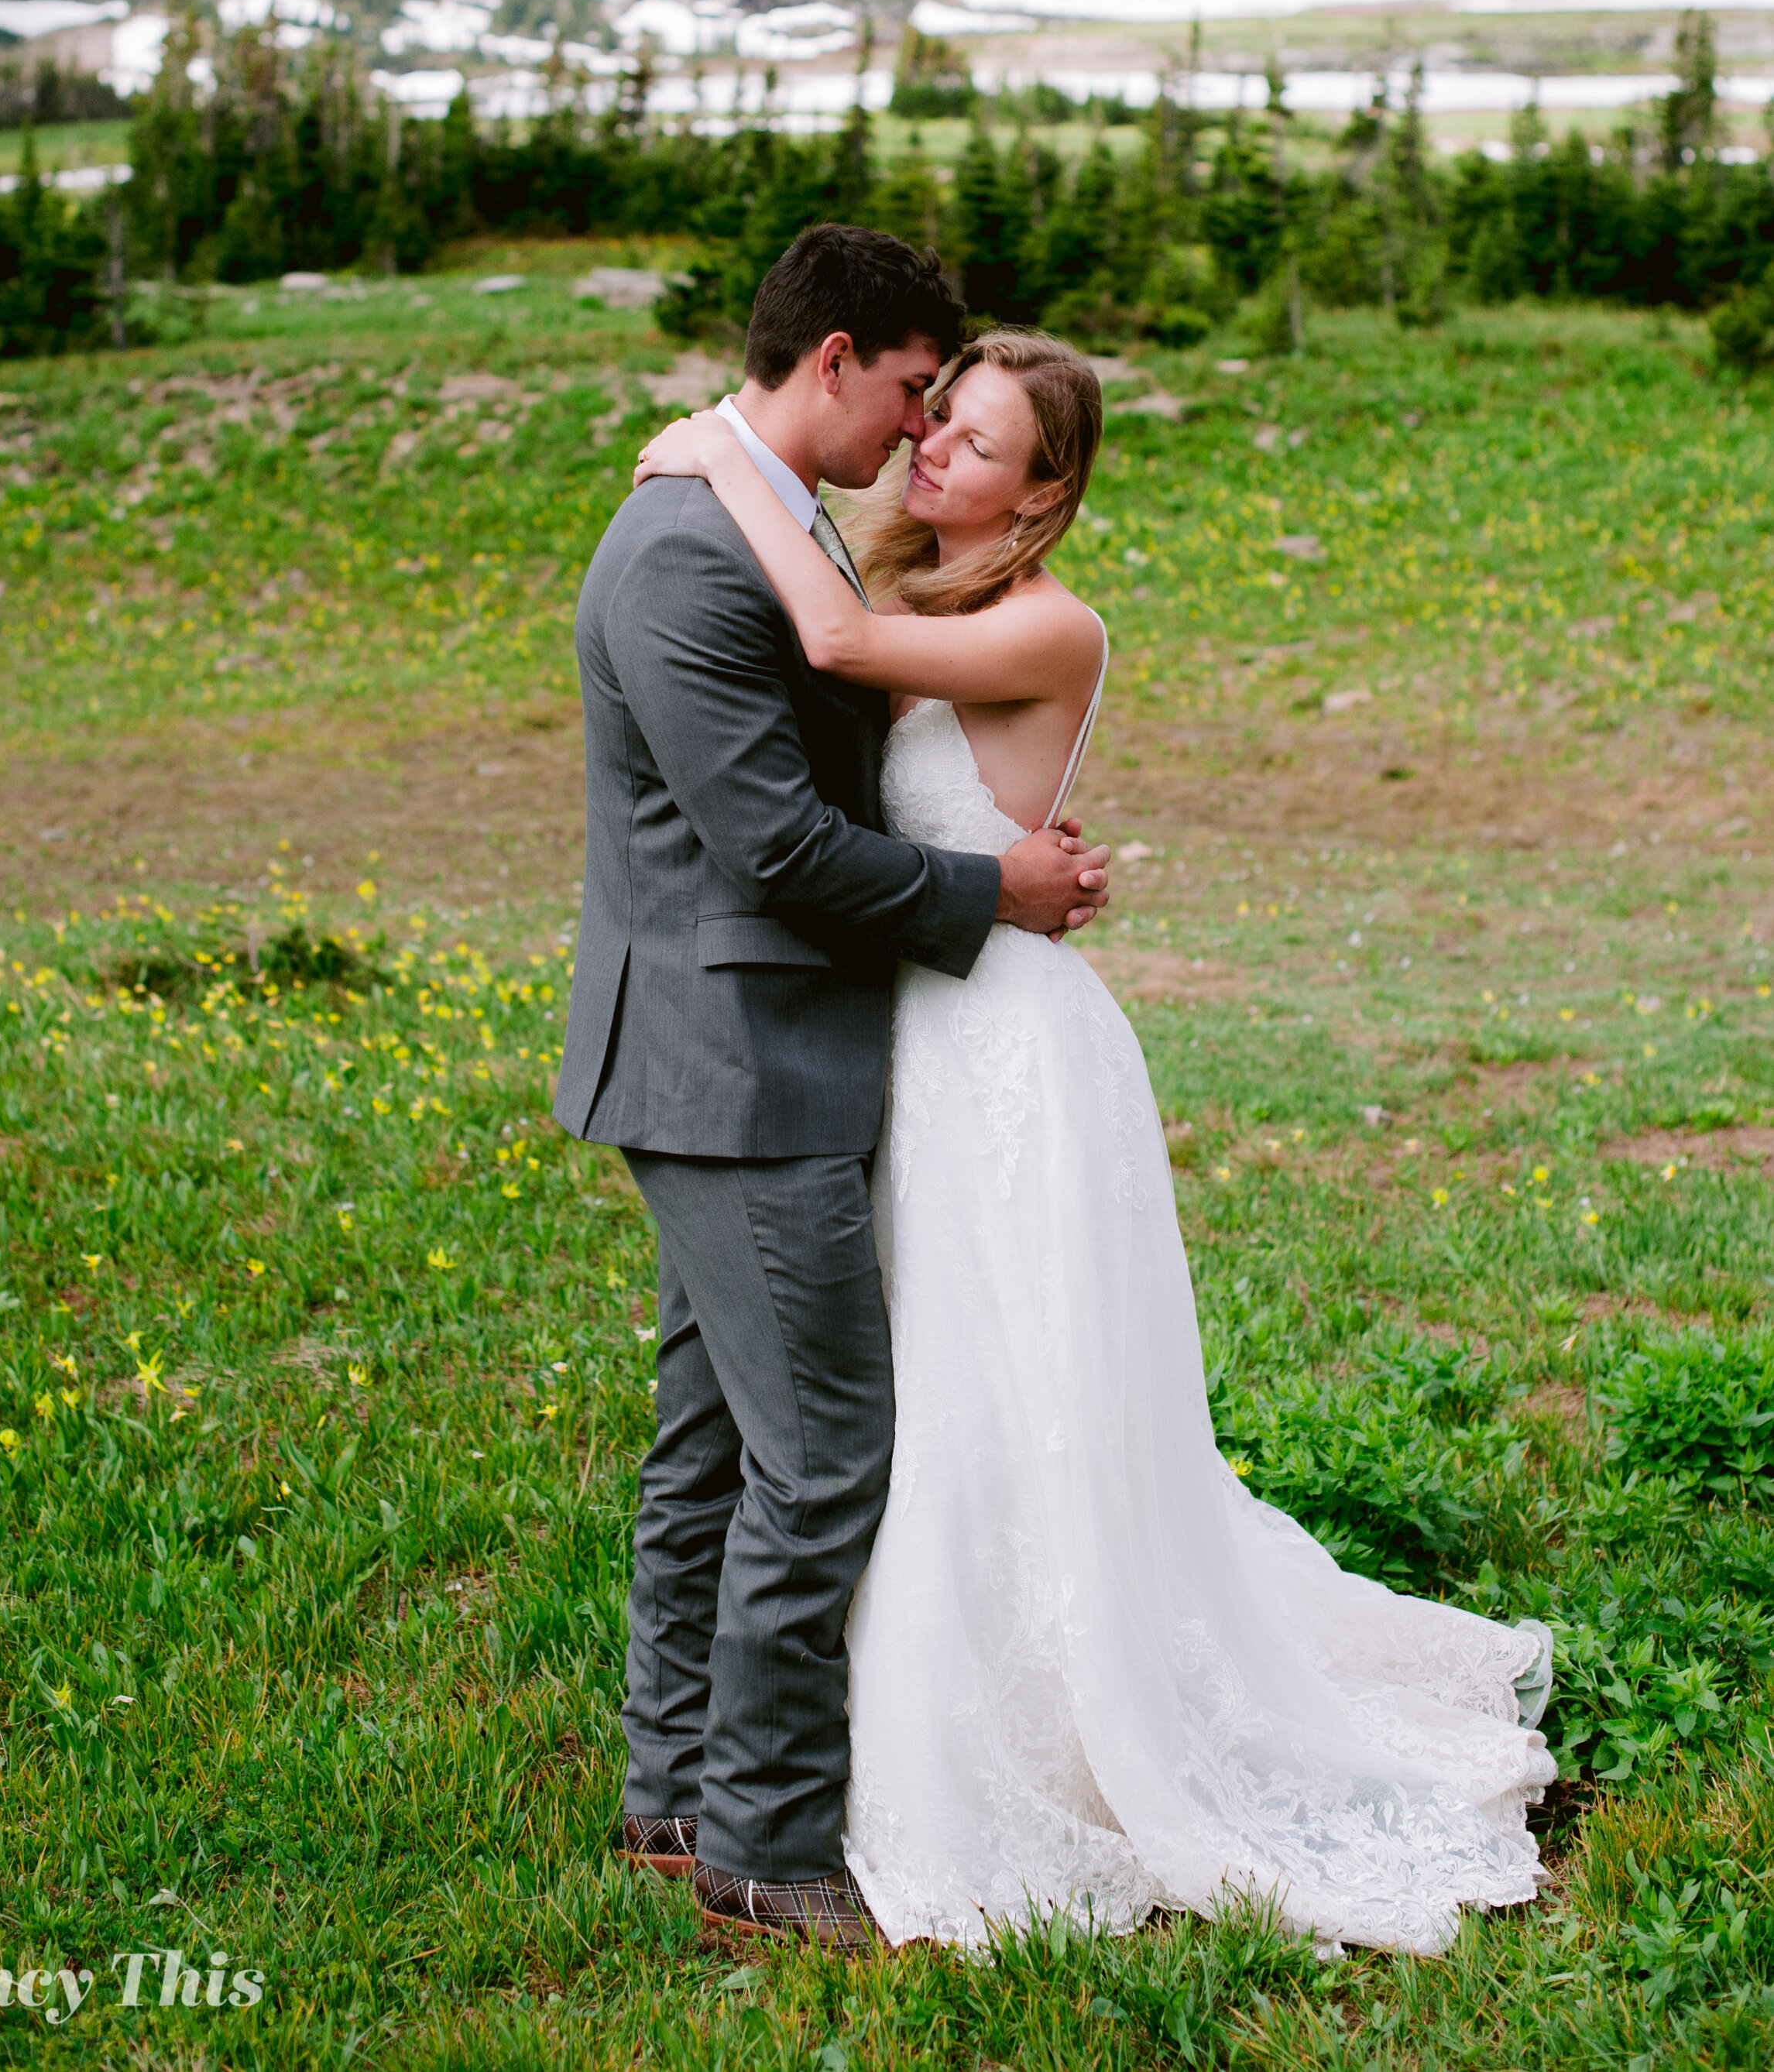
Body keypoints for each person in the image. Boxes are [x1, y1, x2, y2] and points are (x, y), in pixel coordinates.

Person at [633, 324, 1556, 1958]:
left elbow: (830, 642)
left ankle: (1022, 1738)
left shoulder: (1049, 619)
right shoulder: (926, 591)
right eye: (935, 426)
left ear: (1044, 489)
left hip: (996, 1044)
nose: (933, 455)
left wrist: (719, 452)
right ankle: (801, 1742)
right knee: (909, 1391)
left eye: (976, 445)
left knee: (1001, 1400)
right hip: (899, 1032)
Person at [555, 228, 1113, 1951]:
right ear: (833, 362)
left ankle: (675, 1792)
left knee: (715, 1438)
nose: (914, 425)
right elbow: (781, 848)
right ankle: (768, 1845)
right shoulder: (688, 559)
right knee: (819, 1460)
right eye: (906, 390)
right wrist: (990, 892)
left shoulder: (764, 515)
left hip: (761, 1051)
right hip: (741, 1064)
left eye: (954, 415)